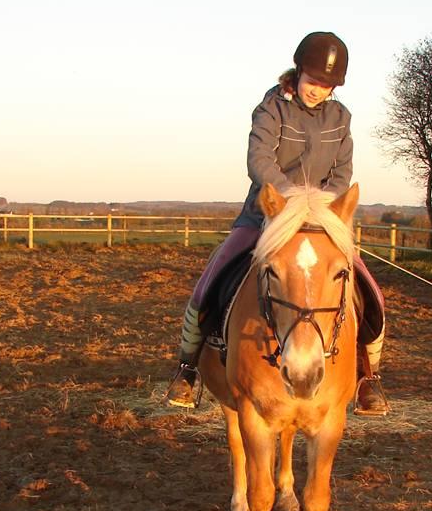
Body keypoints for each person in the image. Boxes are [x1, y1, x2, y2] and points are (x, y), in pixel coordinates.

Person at [165, 31, 388, 415]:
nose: (319, 89)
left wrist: (317, 205)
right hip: (267, 214)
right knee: (211, 279)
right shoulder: (271, 108)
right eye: (314, 80)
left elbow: (342, 172)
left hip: (319, 219)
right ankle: (187, 369)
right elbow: (259, 161)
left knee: (371, 292)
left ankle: (369, 377)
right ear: (299, 71)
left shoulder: (341, 118)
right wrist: (287, 201)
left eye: (328, 84)